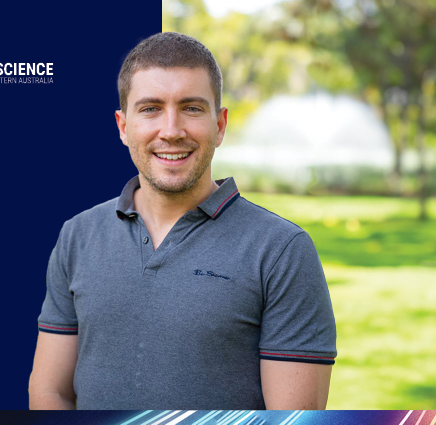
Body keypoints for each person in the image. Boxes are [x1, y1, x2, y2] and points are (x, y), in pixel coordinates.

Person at [28, 32, 337, 410]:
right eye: (150, 109)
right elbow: (51, 393)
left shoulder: (280, 251)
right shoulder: (78, 235)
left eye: (191, 108)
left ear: (220, 125)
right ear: (123, 126)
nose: (171, 130)